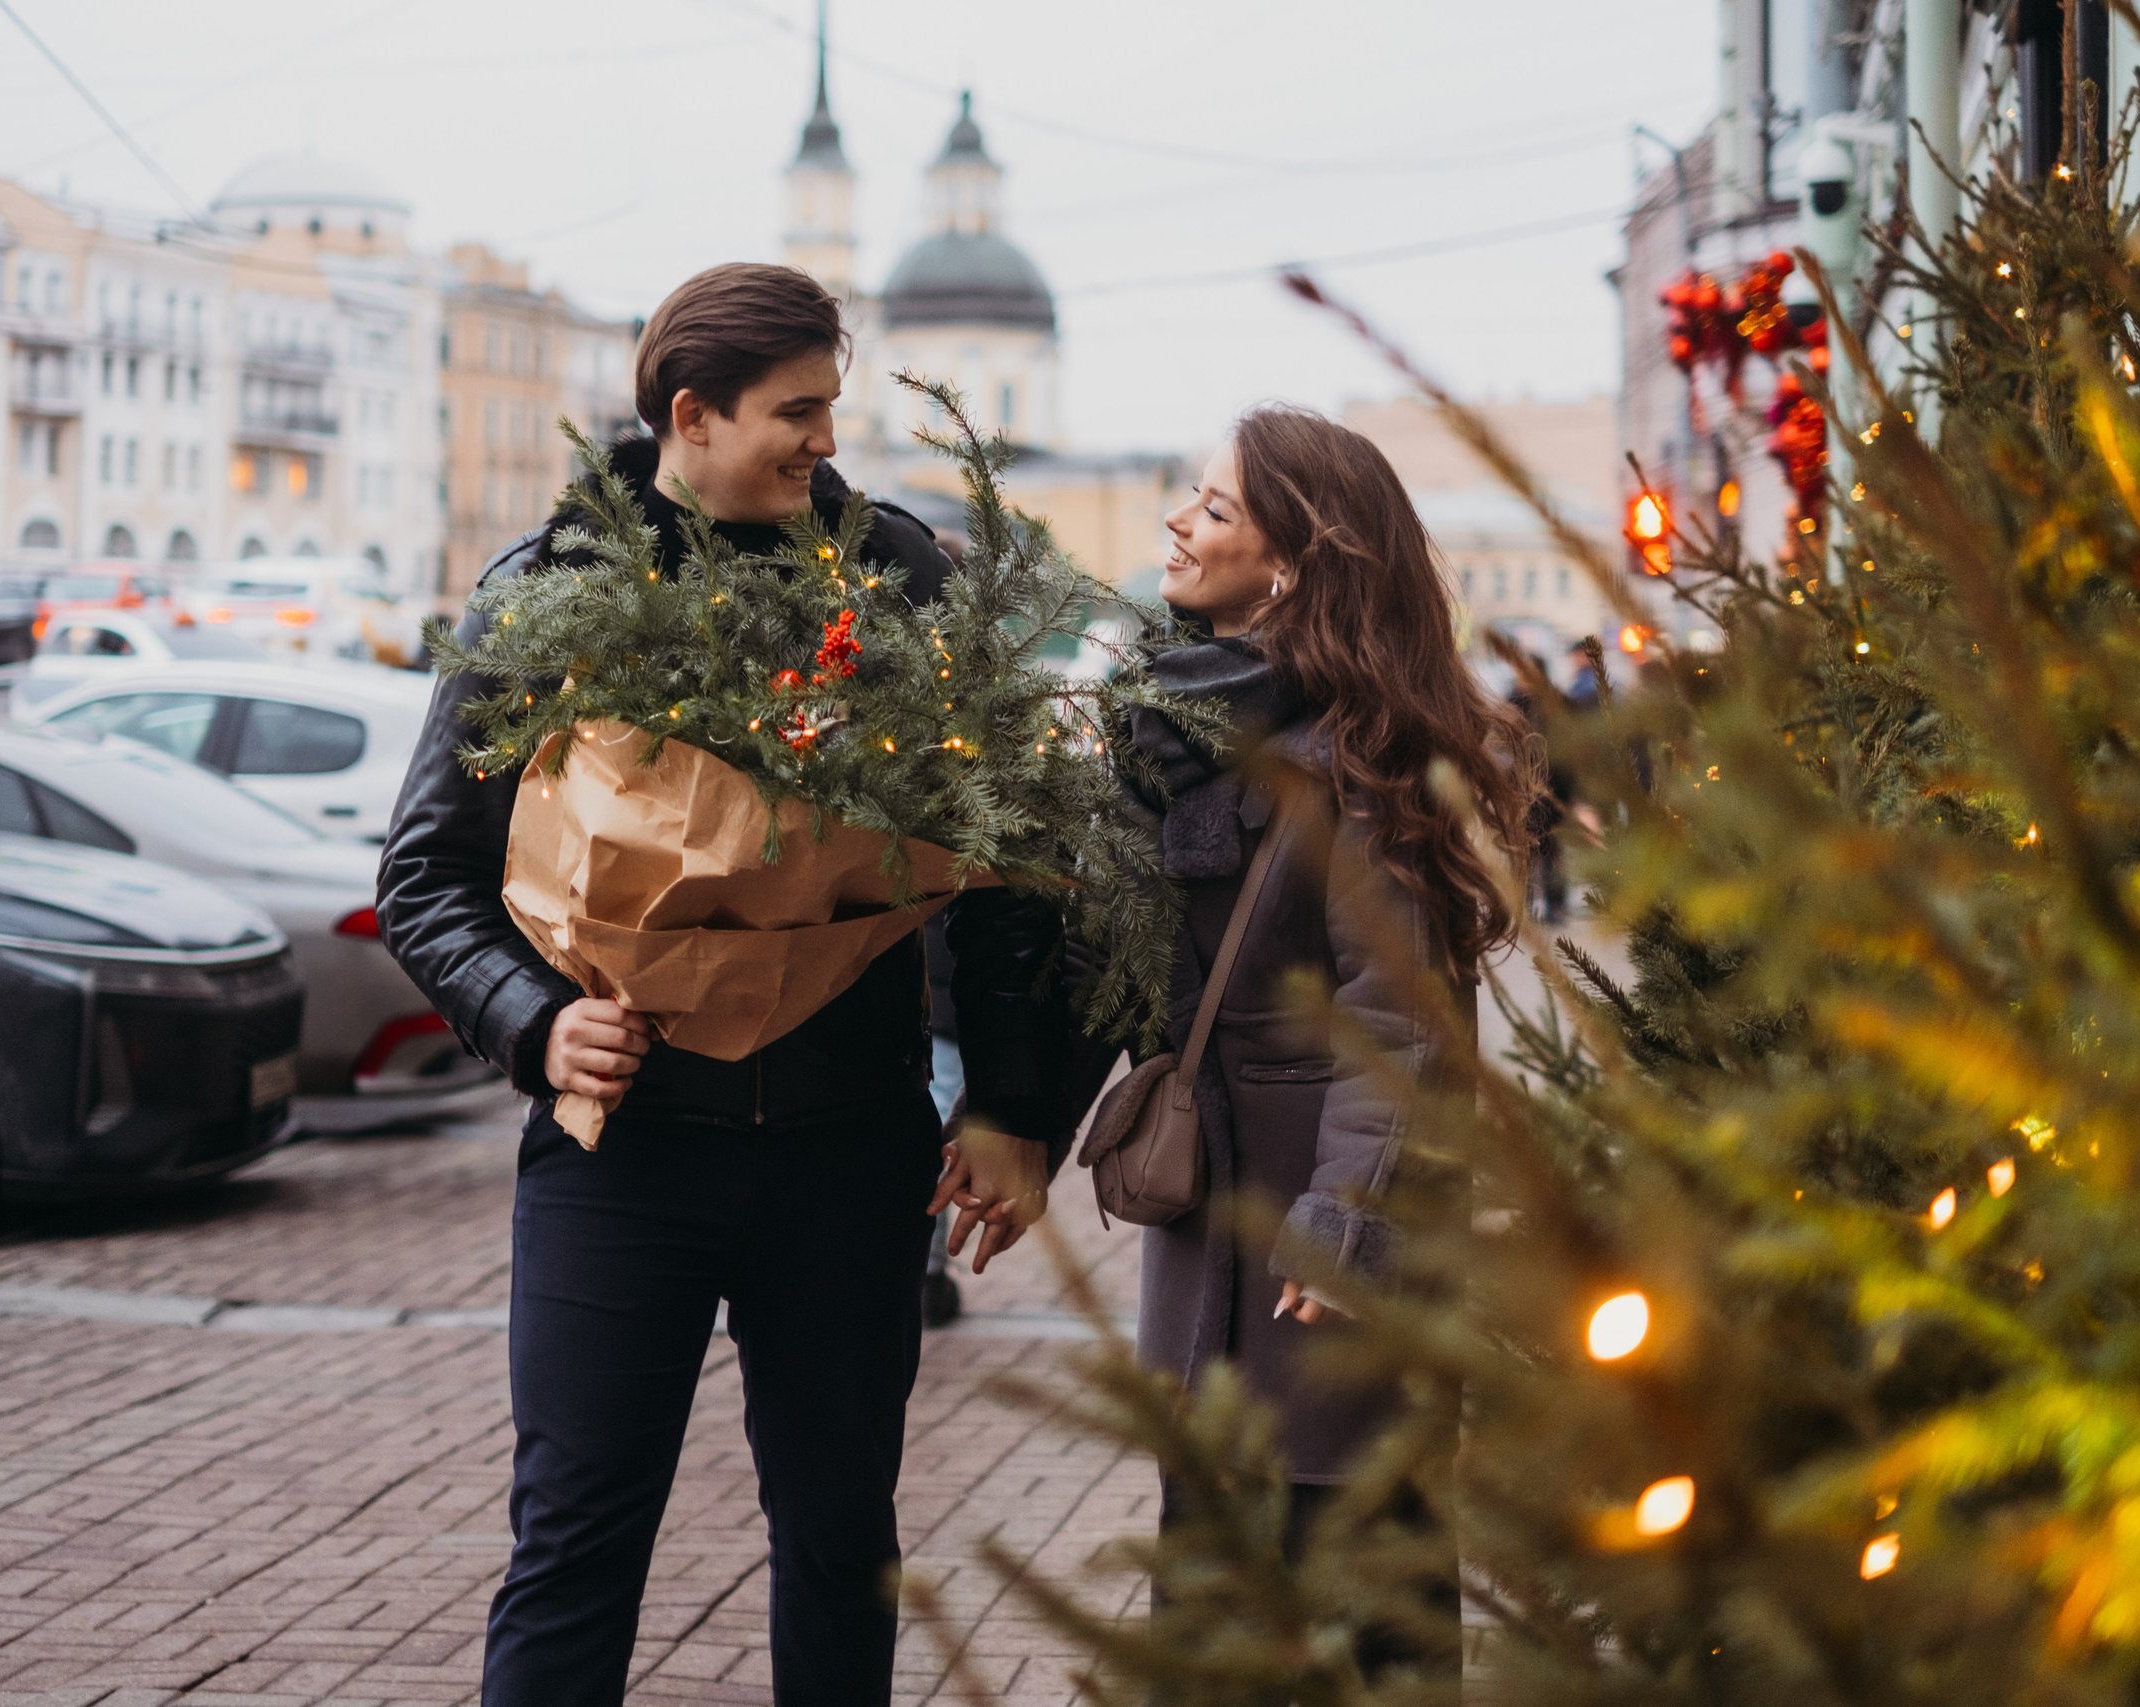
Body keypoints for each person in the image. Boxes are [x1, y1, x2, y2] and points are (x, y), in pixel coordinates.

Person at [376, 263, 1068, 1707]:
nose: (826, 441)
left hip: (847, 1145)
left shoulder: (899, 577)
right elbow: (427, 877)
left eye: (834, 408)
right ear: (692, 415)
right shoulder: (549, 591)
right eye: (796, 412)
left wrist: (1011, 1101)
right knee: (575, 1546)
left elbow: (1004, 867)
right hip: (619, 1157)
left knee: (840, 1541)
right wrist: (536, 1020)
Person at [1123, 404, 1537, 1673]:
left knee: (1356, 1579)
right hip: (1224, 1223)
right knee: (1218, 1572)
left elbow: (1396, 1013)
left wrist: (1345, 1219)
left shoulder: (1361, 757)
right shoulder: (1195, 725)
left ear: (1292, 565)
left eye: (1213, 509)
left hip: (1322, 1241)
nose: (1176, 526)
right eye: (1187, 498)